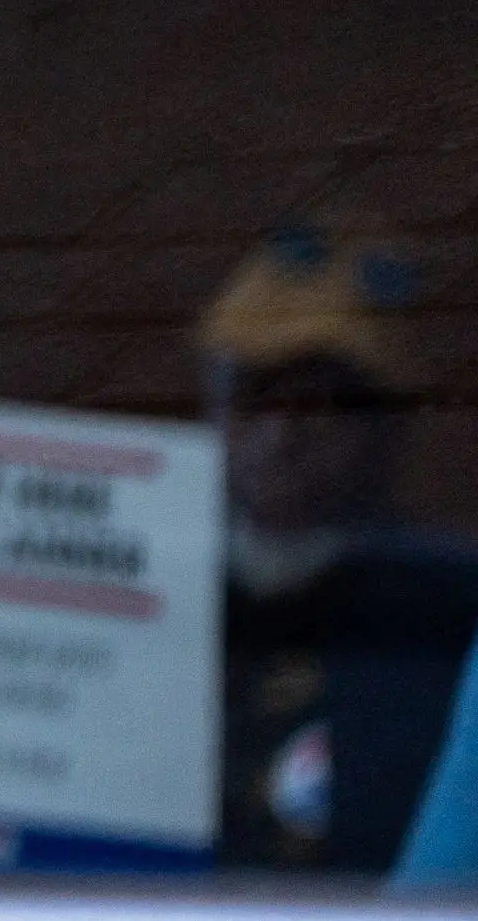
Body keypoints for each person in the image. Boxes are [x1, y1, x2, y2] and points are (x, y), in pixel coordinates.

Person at [181, 226, 477, 872]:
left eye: (320, 402)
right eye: (258, 395)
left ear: (386, 425)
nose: (281, 435)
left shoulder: (444, 613)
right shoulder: (155, 590)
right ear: (217, 406)